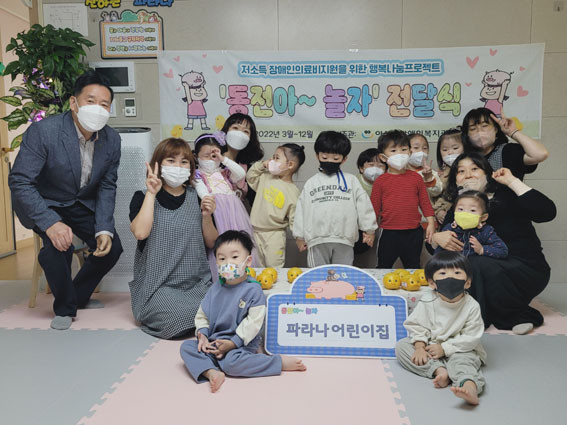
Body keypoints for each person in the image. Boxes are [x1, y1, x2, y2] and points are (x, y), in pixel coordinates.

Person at [9, 71, 123, 330]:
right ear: (73, 102)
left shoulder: (112, 140)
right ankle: (64, 307)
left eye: (104, 104)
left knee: (112, 247)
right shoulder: (44, 132)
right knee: (58, 248)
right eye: (90, 101)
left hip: (80, 203)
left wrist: (104, 228)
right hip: (45, 201)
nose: (97, 109)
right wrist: (50, 223)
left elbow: (107, 186)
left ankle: (77, 296)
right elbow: (20, 181)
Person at [432, 152, 556, 334]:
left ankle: (517, 315)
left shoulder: (507, 195)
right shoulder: (459, 208)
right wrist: (437, 238)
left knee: (475, 262)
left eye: (475, 169)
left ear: (488, 174)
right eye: (461, 171)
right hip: (485, 273)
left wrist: (512, 181)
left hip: (525, 269)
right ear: (456, 180)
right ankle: (474, 315)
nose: (468, 175)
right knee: (455, 264)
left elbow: (547, 212)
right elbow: (443, 247)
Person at [180, 230, 306, 393]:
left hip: (240, 344)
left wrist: (232, 343)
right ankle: (212, 372)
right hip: (214, 341)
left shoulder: (253, 290)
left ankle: (277, 363)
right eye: (222, 258)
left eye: (234, 257)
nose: (228, 263)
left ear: (248, 261)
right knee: (187, 347)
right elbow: (202, 315)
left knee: (232, 364)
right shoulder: (214, 289)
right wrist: (202, 336)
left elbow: (254, 323)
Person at [129, 138, 217, 339]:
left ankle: (202, 320)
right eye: (171, 160)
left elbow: (212, 242)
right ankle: (200, 322)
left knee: (229, 305)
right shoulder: (142, 197)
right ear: (158, 164)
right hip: (157, 288)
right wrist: (151, 194)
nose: (178, 166)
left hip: (197, 285)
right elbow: (140, 233)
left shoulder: (197, 197)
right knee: (178, 317)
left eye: (184, 162)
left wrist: (206, 216)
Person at [395, 251, 486, 406]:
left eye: (457, 273)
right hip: (431, 346)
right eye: (443, 273)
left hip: (460, 349)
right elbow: (417, 326)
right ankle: (439, 370)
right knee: (401, 346)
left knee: (463, 363)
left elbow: (471, 337)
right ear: (432, 283)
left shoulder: (472, 306)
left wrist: (444, 348)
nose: (450, 278)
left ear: (467, 283)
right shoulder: (427, 300)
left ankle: (469, 386)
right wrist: (420, 348)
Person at [293, 131, 377, 267]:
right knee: (318, 275)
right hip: (317, 239)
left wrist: (369, 230)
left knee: (343, 274)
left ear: (344, 159)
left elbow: (364, 206)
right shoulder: (311, 183)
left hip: (345, 239)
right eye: (325, 157)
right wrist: (299, 236)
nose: (330, 161)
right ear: (317, 156)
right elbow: (301, 210)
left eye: (335, 158)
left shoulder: (351, 181)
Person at [192, 132, 257, 278]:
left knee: (239, 246)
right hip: (217, 215)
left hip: (235, 214)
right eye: (206, 156)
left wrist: (223, 159)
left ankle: (242, 276)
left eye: (214, 155)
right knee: (222, 247)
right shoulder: (198, 175)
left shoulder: (225, 173)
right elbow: (203, 193)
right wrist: (208, 200)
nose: (211, 159)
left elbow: (241, 174)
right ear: (196, 157)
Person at [370, 130, 435, 269]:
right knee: (383, 266)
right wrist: (369, 231)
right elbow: (373, 208)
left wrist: (431, 222)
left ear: (410, 152)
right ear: (383, 157)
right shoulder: (380, 181)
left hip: (413, 232)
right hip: (388, 232)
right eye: (393, 150)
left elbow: (425, 202)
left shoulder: (416, 178)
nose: (399, 154)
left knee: (413, 266)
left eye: (403, 149)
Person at [246, 143, 305, 267]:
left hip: (275, 235)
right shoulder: (266, 177)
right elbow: (250, 177)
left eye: (276, 158)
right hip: (255, 232)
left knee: (274, 268)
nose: (272, 160)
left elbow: (295, 219)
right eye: (273, 157)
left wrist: (299, 238)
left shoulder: (293, 192)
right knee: (256, 267)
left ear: (290, 165)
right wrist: (262, 165)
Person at [461, 107, 548, 180]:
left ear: (495, 129)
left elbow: (540, 154)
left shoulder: (508, 151)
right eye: (473, 129)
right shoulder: (465, 158)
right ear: (467, 135)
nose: (480, 132)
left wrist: (513, 132)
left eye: (484, 126)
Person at [435, 190, 508, 258]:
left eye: (472, 210)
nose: (465, 213)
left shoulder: (486, 231)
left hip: (475, 266)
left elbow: (503, 251)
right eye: (460, 209)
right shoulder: (449, 229)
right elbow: (438, 252)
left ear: (483, 217)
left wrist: (482, 249)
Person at [220, 113, 264, 206]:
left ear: (250, 139)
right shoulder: (212, 160)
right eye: (235, 128)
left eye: (246, 131)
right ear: (226, 131)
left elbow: (256, 202)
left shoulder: (249, 170)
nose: (239, 134)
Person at [432, 129, 464, 224]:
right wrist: (438, 211)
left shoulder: (475, 169)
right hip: (447, 221)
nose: (450, 153)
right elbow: (435, 197)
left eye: (455, 148)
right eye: (445, 150)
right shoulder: (440, 174)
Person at [406, 133, 443, 198]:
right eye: (416, 148)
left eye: (425, 148)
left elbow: (437, 192)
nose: (421, 152)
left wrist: (428, 178)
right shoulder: (400, 172)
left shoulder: (431, 172)